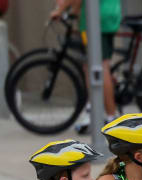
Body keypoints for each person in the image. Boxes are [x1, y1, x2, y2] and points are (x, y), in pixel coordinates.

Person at [50, 0, 121, 133]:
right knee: (90, 66)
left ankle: (111, 116)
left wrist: (60, 10)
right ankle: (94, 111)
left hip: (97, 19)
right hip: (106, 15)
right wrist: (74, 11)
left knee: (98, 66)